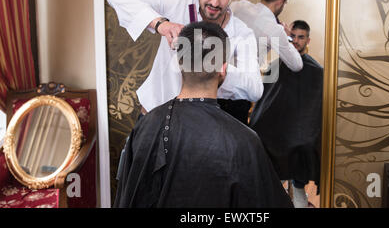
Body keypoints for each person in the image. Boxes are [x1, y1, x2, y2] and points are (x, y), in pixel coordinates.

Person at [113, 21, 294, 208]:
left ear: (179, 62)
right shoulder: (243, 140)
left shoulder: (145, 125)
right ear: (223, 69)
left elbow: (127, 197)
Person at [106, 0, 263, 122]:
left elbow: (255, 89)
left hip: (195, 123)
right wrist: (161, 24)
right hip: (154, 116)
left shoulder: (242, 33)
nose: (215, 2)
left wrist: (217, 68)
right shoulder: (178, 3)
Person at [249, 20, 323, 208]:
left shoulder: (316, 70)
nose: (296, 41)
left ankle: (298, 194)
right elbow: (264, 100)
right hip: (275, 127)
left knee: (303, 144)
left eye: (301, 37)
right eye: (293, 37)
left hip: (301, 129)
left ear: (308, 40)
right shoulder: (275, 66)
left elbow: (315, 107)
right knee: (260, 137)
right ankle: (276, 192)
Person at [230, 0, 303, 74]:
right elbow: (296, 65)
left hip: (218, 72)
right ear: (280, 2)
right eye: (285, 3)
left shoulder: (238, 5)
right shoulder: (275, 30)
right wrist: (286, 37)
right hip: (243, 81)